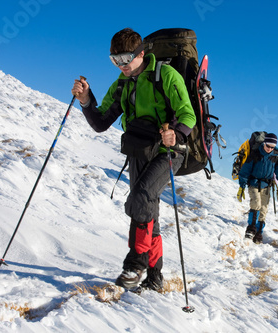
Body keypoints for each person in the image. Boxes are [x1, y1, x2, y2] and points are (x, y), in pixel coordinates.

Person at [71, 28, 196, 291]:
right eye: (115, 61)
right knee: (147, 211)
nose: (122, 66)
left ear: (141, 53)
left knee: (140, 199)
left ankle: (135, 264)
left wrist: (176, 134)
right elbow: (101, 122)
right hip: (139, 151)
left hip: (169, 151)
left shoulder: (166, 75)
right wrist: (85, 101)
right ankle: (155, 277)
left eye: (126, 59)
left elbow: (188, 114)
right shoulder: (121, 85)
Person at [236, 133, 278, 243]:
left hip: (267, 186)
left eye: (272, 147)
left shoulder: (276, 157)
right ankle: (251, 229)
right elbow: (244, 172)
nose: (269, 149)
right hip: (254, 183)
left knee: (263, 209)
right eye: (268, 146)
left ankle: (259, 232)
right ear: (264, 143)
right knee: (256, 203)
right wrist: (241, 187)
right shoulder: (255, 154)